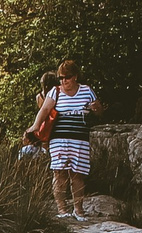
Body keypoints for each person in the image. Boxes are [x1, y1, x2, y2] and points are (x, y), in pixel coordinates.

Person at [32, 59, 96, 214]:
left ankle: (78, 209)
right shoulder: (55, 92)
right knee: (59, 173)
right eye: (61, 78)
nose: (63, 81)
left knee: (77, 174)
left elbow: (98, 111)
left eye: (66, 77)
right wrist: (35, 126)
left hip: (80, 139)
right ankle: (62, 209)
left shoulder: (87, 91)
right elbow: (45, 110)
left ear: (75, 76)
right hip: (59, 139)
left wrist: (96, 108)